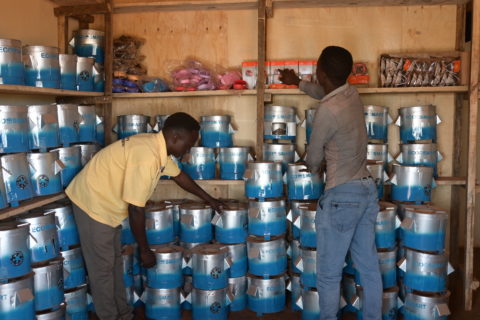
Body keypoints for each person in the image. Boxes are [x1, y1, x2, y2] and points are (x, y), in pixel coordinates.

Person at [65, 112, 224, 320]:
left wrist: (210, 199)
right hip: (92, 204)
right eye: (189, 143)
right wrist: (145, 250)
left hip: (107, 207)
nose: (189, 149)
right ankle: (111, 317)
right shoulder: (147, 156)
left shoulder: (158, 149)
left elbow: (180, 177)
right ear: (175, 137)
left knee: (113, 265)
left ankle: (124, 313)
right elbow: (136, 209)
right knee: (102, 270)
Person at [281, 47, 382, 320]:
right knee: (369, 268)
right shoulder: (351, 94)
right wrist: (298, 83)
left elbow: (314, 157)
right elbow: (325, 93)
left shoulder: (326, 111)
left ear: (320, 72)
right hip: (366, 190)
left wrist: (309, 166)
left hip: (341, 195)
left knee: (328, 273)